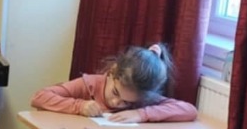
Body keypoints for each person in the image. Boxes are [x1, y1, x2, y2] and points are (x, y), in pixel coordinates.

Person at [30, 43, 197, 122]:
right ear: (112, 72)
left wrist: (140, 114)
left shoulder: (143, 98)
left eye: (127, 102)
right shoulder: (90, 84)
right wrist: (79, 106)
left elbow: (189, 110)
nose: (117, 102)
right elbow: (39, 97)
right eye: (115, 92)